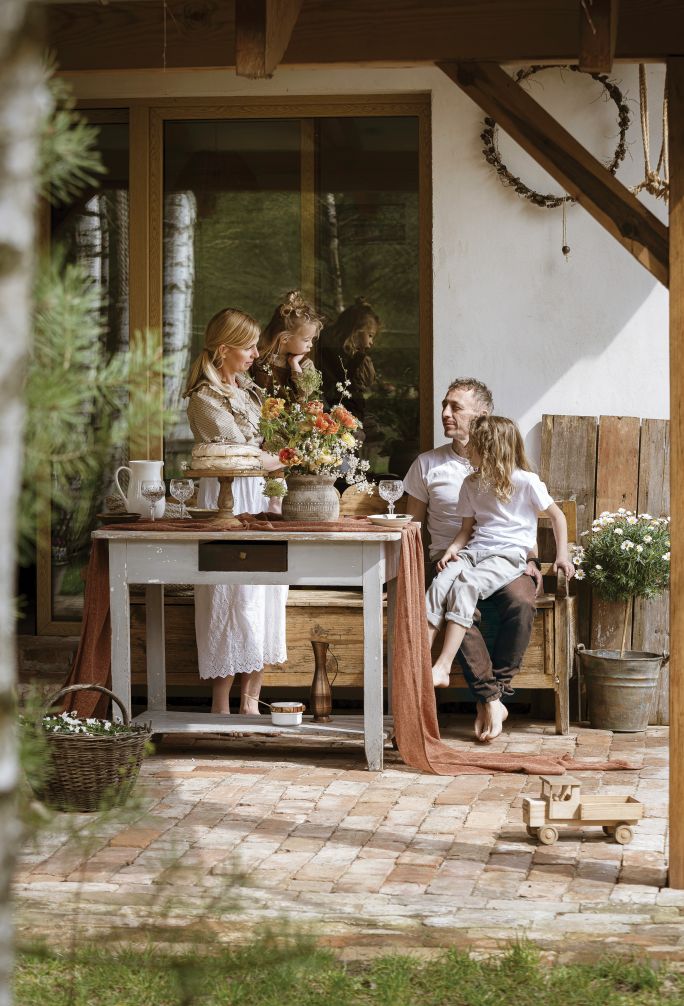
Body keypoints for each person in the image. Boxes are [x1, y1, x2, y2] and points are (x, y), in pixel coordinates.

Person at [403, 378, 544, 739]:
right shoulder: (427, 464)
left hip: (502, 558)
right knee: (456, 596)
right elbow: (412, 529)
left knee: (521, 601)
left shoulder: (509, 467)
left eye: (456, 407)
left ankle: (497, 690)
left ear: (482, 415)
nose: (446, 413)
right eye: (444, 405)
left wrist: (533, 558)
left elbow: (524, 518)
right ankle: (490, 698)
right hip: (450, 559)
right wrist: (402, 580)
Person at [426, 415, 574, 741]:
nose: (467, 449)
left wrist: (561, 555)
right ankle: (432, 669)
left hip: (507, 559)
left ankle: (465, 676)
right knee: (441, 587)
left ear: (489, 448)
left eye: (473, 444)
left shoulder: (525, 481)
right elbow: (467, 530)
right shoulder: (471, 483)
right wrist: (452, 550)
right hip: (474, 554)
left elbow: (557, 517)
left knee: (477, 590)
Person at [184, 307, 285, 715]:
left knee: (265, 591)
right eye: (248, 347)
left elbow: (263, 448)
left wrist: (280, 457)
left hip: (258, 496)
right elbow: (236, 452)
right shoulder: (204, 398)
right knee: (230, 594)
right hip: (228, 498)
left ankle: (251, 703)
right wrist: (279, 456)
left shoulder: (247, 391)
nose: (255, 354)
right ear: (224, 349)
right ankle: (221, 705)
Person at [252, 290, 324, 399]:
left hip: (291, 415)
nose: (311, 345)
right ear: (285, 339)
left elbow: (306, 393)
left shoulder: (305, 364)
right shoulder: (259, 358)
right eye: (306, 340)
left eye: (312, 340)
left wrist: (295, 365)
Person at [319, 297, 381, 423]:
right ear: (356, 331)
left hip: (342, 408)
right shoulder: (357, 359)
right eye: (370, 335)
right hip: (344, 410)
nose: (371, 342)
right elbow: (367, 382)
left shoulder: (339, 352)